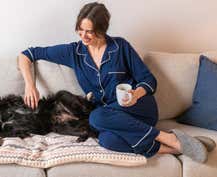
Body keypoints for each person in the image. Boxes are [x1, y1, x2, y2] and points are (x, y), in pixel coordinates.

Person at [18, 2, 215, 162]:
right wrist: (30, 85)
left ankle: (168, 137)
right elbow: (27, 54)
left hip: (138, 109)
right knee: (107, 139)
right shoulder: (73, 52)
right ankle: (176, 147)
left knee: (96, 118)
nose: (83, 37)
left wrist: (135, 94)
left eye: (89, 31)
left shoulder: (120, 47)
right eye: (80, 30)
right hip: (111, 116)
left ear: (102, 30)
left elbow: (148, 80)